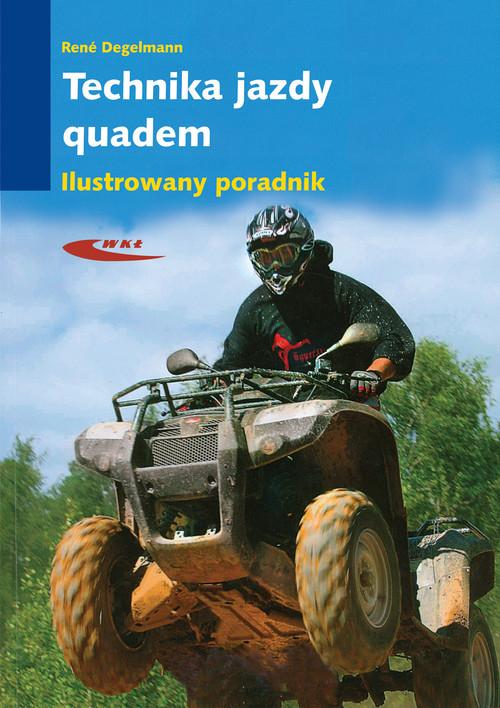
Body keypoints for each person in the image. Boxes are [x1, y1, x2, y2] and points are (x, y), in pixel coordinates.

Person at [214, 205, 415, 401]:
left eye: (284, 254)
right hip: (280, 411)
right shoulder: (255, 309)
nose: (275, 267)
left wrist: (372, 374)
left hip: (349, 405)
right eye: (266, 258)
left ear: (304, 249)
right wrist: (214, 386)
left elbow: (395, 339)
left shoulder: (341, 290)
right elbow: (231, 367)